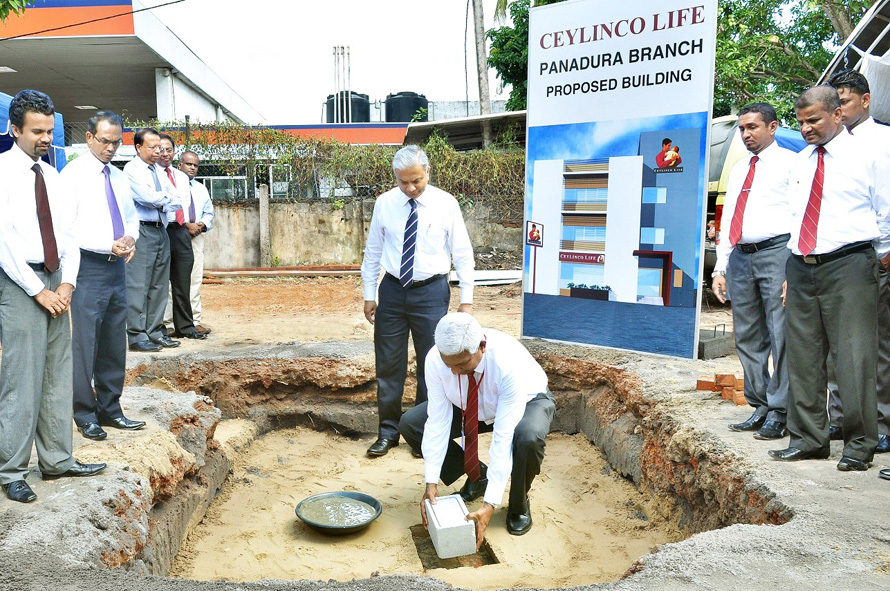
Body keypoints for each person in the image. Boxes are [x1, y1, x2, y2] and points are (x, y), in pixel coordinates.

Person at [769, 86, 890, 471]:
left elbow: (886, 209)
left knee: (853, 358)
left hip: (850, 264)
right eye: (801, 122)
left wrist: (883, 259)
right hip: (802, 265)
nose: (806, 128)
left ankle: (859, 443)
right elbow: (795, 216)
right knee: (802, 356)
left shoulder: (870, 154)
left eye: (814, 120)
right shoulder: (802, 161)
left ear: (837, 115)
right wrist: (793, 265)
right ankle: (808, 438)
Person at [0, 90, 106, 503]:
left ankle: (58, 459)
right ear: (14, 129)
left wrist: (66, 285)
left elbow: (70, 236)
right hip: (19, 281)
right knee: (21, 381)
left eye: (49, 130)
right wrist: (37, 291)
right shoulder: (3, 173)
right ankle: (11, 470)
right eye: (36, 131)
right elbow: (4, 243)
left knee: (57, 375)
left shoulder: (54, 177)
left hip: (56, 280)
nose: (45, 138)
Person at [399, 312, 555, 544]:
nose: (453, 372)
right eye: (448, 364)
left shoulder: (506, 364)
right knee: (412, 423)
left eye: (461, 364)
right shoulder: (435, 359)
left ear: (482, 346)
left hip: (526, 400)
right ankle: (479, 477)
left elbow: (503, 437)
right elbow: (437, 420)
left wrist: (489, 504)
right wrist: (430, 482)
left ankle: (518, 505)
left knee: (527, 438)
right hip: (468, 404)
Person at [360, 145, 475, 457]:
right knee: (388, 363)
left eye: (416, 181)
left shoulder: (445, 204)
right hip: (393, 291)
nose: (410, 188)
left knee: (432, 364)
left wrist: (467, 300)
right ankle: (388, 431)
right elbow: (372, 252)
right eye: (403, 182)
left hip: (432, 291)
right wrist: (370, 294)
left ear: (427, 173)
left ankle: (423, 432)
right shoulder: (385, 204)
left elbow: (462, 252)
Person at [713, 103, 796, 441]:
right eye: (742, 129)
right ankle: (760, 405)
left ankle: (781, 410)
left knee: (781, 335)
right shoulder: (738, 169)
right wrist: (721, 267)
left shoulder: (792, 164)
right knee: (747, 336)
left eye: (753, 127)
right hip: (741, 258)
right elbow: (730, 219)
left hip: (778, 253)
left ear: (773, 127)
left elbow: (801, 215)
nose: (746, 134)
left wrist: (795, 268)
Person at [64, 110, 147, 441]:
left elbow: (131, 217)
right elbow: (67, 229)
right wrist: (105, 244)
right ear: (89, 138)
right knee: (86, 342)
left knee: (114, 340)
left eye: (116, 142)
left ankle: (111, 409)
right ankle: (84, 413)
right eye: (105, 141)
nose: (111, 148)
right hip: (87, 266)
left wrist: (131, 239)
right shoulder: (72, 175)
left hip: (116, 267)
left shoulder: (119, 176)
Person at [826, 69, 890, 454]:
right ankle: (841, 419)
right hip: (835, 260)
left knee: (876, 346)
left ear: (865, 100)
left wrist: (885, 254)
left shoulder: (883, 141)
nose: (839, 111)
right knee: (838, 345)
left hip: (875, 255)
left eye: (844, 102)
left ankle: (881, 423)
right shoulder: (828, 147)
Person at [123, 128, 182, 352]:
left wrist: (162, 201)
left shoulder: (158, 170)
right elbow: (146, 198)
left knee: (159, 284)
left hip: (161, 230)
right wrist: (163, 200)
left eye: (160, 146)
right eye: (152, 147)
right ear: (138, 148)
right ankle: (137, 335)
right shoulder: (132, 170)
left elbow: (178, 199)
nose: (158, 151)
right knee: (138, 284)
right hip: (142, 230)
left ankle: (155, 331)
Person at [157, 135, 205, 340]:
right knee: (159, 282)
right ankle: (158, 328)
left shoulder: (182, 177)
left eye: (169, 149)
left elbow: (182, 205)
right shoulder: (152, 175)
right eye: (161, 149)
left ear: (174, 152)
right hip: (161, 229)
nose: (165, 153)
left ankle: (186, 327)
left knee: (183, 280)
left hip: (181, 232)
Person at [178, 150, 214, 335]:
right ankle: (168, 323)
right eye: (188, 164)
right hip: (177, 235)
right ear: (179, 165)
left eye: (195, 165)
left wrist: (202, 224)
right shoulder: (173, 185)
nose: (192, 168)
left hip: (196, 238)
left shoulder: (201, 188)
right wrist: (185, 226)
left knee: (194, 279)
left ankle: (194, 321)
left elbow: (209, 212)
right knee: (172, 282)